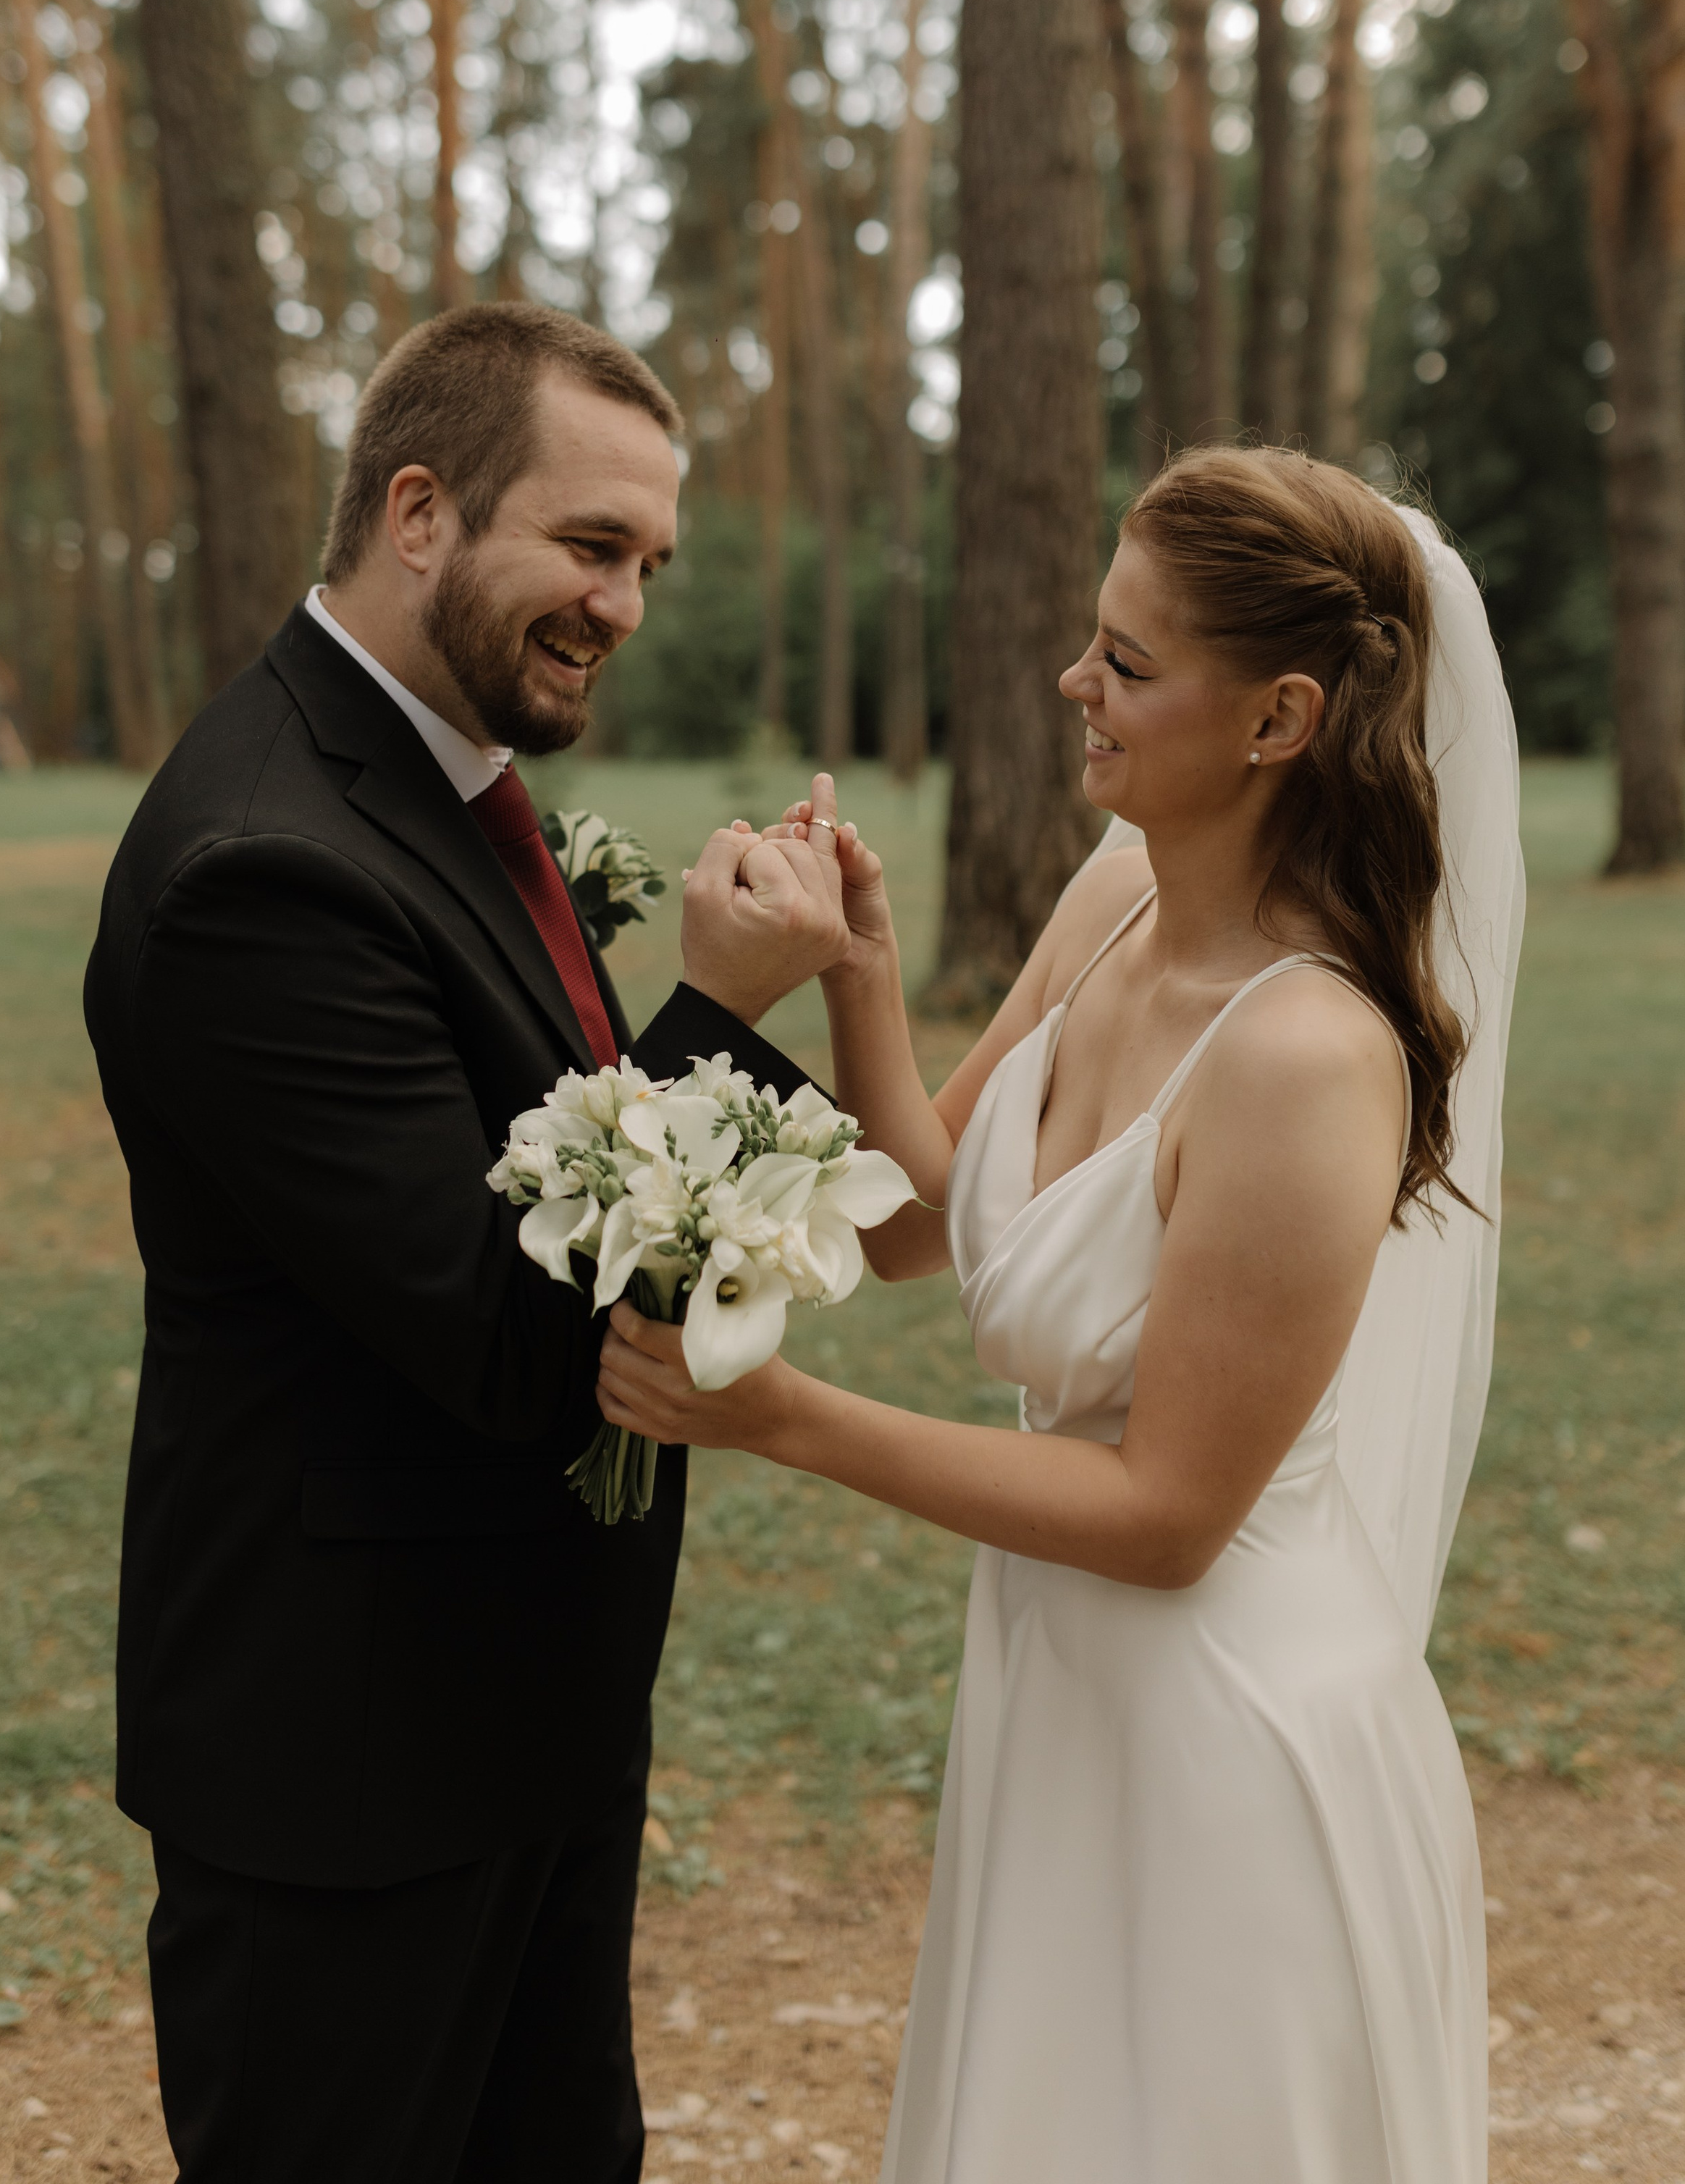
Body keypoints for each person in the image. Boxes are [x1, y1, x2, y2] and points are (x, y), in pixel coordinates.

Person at [597, 444, 1524, 2184]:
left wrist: (777, 1419)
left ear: (1276, 720)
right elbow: (920, 1221)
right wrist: (861, 972)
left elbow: (1167, 1517)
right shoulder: (1113, 901)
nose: (1070, 683)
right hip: (1059, 1692)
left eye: (1127, 661)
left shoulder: (1307, 1054)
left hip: (1234, 1732)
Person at [84, 302, 849, 2184]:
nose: (628, 606)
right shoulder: (260, 869)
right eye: (592, 549)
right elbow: (510, 1339)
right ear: (418, 510)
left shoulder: (438, 785)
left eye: (650, 562)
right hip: (350, 1772)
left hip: (521, 1715)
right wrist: (721, 1016)